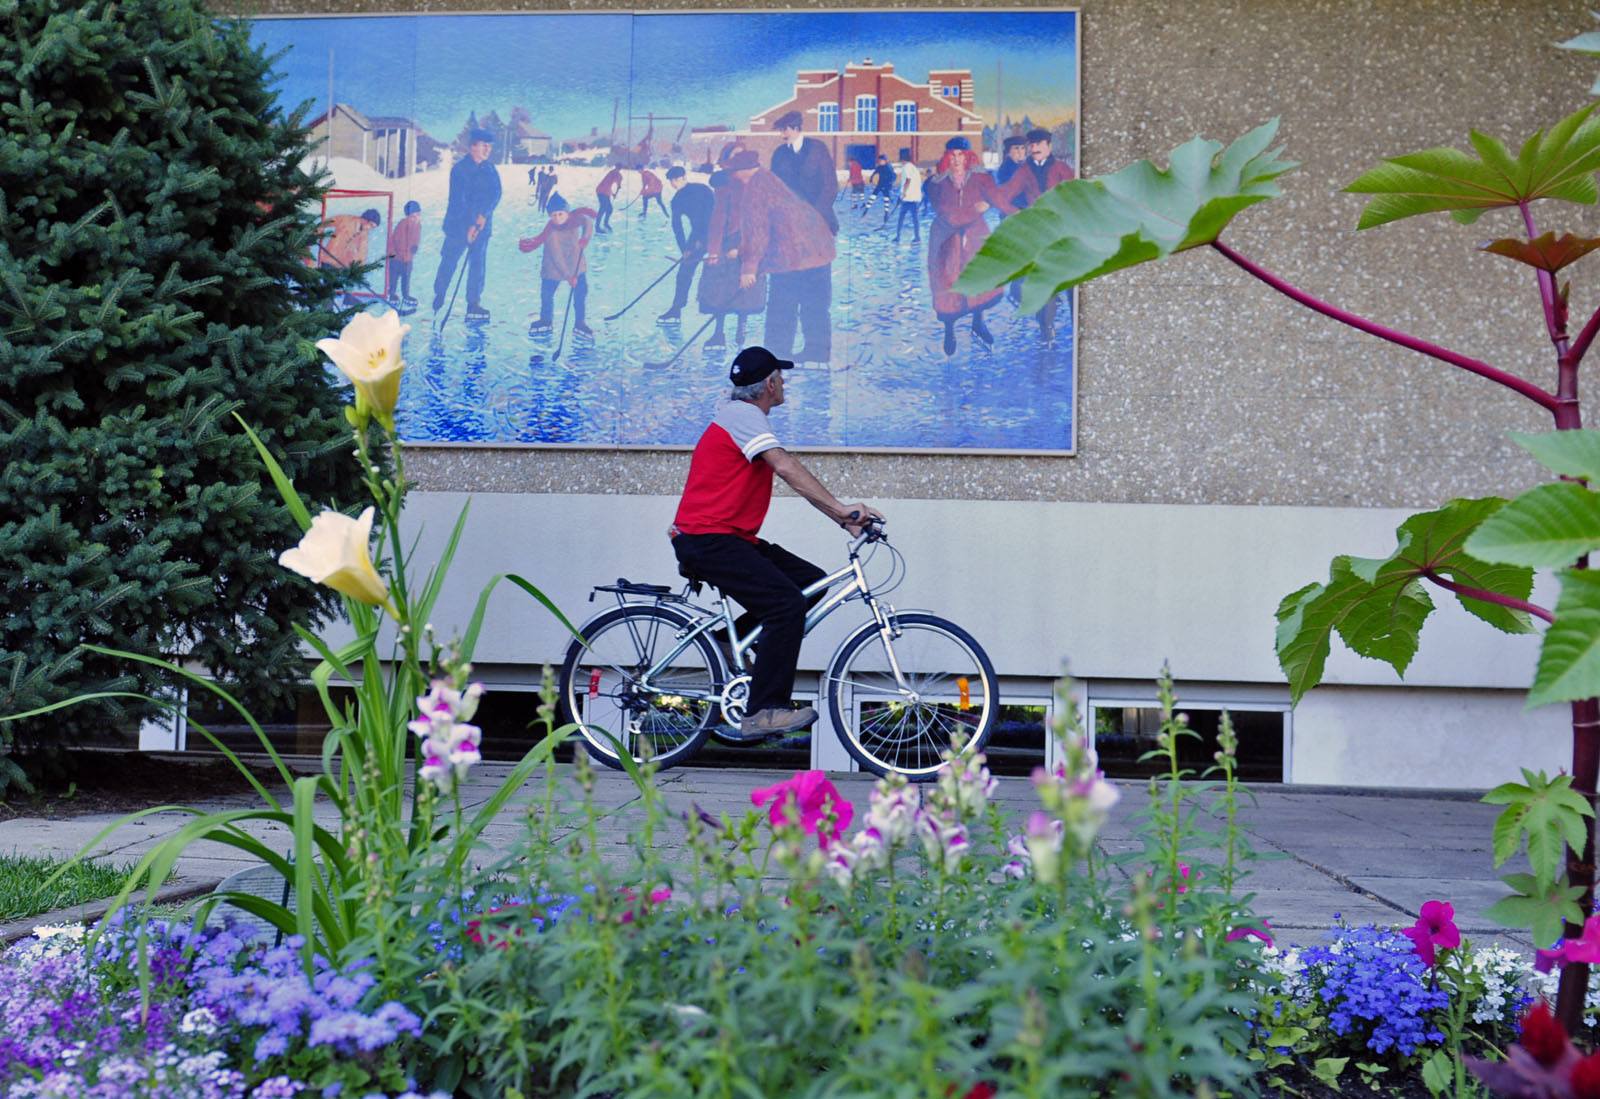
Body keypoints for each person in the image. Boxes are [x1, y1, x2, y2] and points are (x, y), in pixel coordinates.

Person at [670, 346, 882, 739]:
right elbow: (785, 466)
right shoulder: (743, 415)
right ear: (770, 383)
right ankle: (764, 711)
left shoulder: (738, 414)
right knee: (785, 605)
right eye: (781, 378)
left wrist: (842, 518)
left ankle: (725, 646)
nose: (784, 384)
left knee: (809, 583)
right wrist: (840, 511)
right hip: (708, 539)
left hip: (726, 538)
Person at [725, 149, 836, 364]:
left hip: (791, 256)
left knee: (781, 308)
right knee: (815, 305)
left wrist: (749, 268)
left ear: (743, 171)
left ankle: (777, 354)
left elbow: (758, 230)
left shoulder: (755, 189)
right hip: (819, 250)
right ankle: (817, 352)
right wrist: (742, 250)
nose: (734, 178)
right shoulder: (771, 180)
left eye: (734, 173)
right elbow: (778, 221)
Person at [927, 137, 1015, 356]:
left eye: (961, 155)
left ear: (968, 157)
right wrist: (975, 210)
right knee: (948, 283)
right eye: (952, 155)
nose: (957, 160)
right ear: (947, 157)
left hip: (975, 237)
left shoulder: (981, 179)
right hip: (946, 239)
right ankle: (949, 329)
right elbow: (947, 214)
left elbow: (999, 201)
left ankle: (978, 323)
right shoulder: (937, 184)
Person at [997, 127, 1076, 344]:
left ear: (1049, 147)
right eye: (1031, 145)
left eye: (1039, 144)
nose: (1034, 148)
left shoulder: (1062, 169)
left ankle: (1076, 322)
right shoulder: (1024, 172)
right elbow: (1006, 195)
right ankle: (1046, 328)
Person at [432, 127, 502, 321]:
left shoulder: (490, 169)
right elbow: (459, 201)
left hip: (482, 227)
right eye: (483, 146)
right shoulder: (460, 170)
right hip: (458, 225)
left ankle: (474, 304)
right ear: (472, 147)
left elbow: (496, 194)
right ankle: (440, 294)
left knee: (478, 264)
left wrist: (483, 216)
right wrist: (471, 224)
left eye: (489, 146)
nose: (487, 150)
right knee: (450, 260)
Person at [518, 193, 596, 341]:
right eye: (554, 215)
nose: (557, 218)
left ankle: (580, 322)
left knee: (580, 294)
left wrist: (585, 237)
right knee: (547, 295)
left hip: (576, 265)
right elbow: (557, 257)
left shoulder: (575, 220)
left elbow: (588, 221)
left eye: (561, 214)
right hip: (553, 268)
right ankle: (546, 320)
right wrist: (568, 276)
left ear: (567, 213)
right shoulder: (551, 233)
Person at [701, 169, 764, 349]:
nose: (717, 193)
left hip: (744, 252)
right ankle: (718, 332)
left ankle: (740, 329)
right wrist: (714, 250)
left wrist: (739, 248)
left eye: (718, 189)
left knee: (742, 292)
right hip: (724, 249)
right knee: (719, 291)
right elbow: (716, 225)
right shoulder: (722, 198)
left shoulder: (747, 199)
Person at [768, 110, 839, 234]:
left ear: (796, 128)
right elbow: (773, 186)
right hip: (790, 223)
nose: (782, 135)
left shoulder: (818, 148)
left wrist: (815, 215)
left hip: (820, 221)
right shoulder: (779, 153)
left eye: (785, 130)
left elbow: (831, 185)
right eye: (780, 131)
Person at [660, 166, 714, 324]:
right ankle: (676, 309)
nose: (673, 184)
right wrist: (685, 249)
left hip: (717, 233)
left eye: (675, 180)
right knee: (684, 272)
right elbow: (677, 226)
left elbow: (714, 213)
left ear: (683, 177)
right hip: (696, 236)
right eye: (671, 181)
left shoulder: (703, 190)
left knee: (720, 272)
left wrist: (702, 239)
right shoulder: (676, 200)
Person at [385, 200, 422, 308]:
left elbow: (415, 239)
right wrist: (403, 255)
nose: (416, 218)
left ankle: (406, 295)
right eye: (413, 216)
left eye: (418, 215)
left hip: (407, 257)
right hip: (396, 256)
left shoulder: (418, 225)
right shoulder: (403, 224)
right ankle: (391, 294)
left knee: (406, 277)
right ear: (408, 216)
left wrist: (415, 246)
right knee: (394, 276)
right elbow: (399, 242)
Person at [893, 150, 923, 244]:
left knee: (902, 217)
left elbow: (907, 181)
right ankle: (917, 237)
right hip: (915, 197)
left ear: (903, 159)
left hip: (908, 198)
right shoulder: (913, 168)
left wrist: (902, 193)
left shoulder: (906, 168)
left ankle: (898, 236)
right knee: (915, 218)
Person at [861, 153, 896, 219]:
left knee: (886, 198)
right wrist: (871, 178)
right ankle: (866, 210)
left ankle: (886, 213)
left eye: (881, 161)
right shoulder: (879, 167)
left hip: (886, 185)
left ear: (885, 160)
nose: (879, 162)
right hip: (880, 184)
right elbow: (875, 172)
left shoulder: (889, 167)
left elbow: (893, 176)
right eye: (879, 161)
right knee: (873, 196)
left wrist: (890, 184)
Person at [595, 165, 623, 233]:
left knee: (609, 209)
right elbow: (616, 183)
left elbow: (609, 184)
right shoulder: (615, 174)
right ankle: (597, 226)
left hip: (605, 192)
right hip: (602, 192)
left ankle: (605, 223)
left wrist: (613, 193)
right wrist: (618, 185)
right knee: (603, 208)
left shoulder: (613, 173)